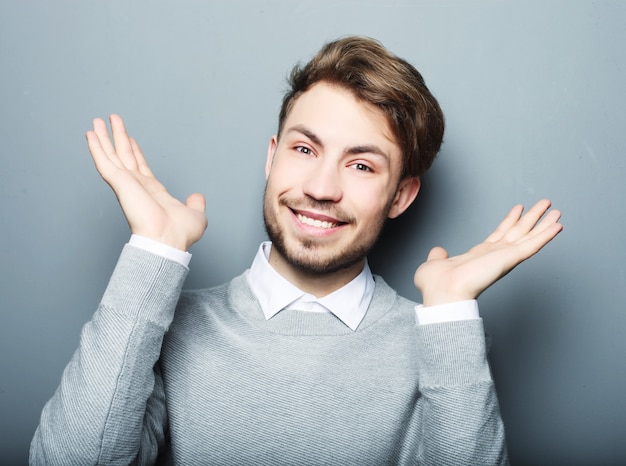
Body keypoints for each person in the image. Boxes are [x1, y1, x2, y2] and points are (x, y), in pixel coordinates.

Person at [30, 36, 562, 465]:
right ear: (272, 158)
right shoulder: (170, 323)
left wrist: (449, 313)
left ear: (400, 195)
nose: (321, 187)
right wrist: (154, 252)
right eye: (304, 149)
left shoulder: (440, 343)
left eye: (361, 165)